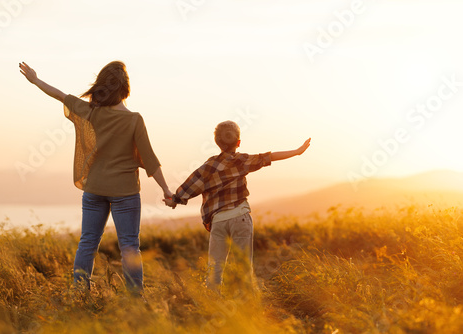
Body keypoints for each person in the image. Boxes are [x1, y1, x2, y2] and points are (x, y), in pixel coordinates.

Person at [19, 61, 173, 295]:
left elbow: (61, 95)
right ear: (126, 89)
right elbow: (150, 159)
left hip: (94, 189)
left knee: (88, 243)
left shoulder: (90, 112)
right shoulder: (134, 120)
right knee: (130, 247)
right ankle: (135, 299)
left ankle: (80, 293)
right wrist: (166, 190)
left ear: (102, 87)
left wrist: (35, 80)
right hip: (126, 193)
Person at [164, 120, 311, 290]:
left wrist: (173, 200)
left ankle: (212, 304)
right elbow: (269, 157)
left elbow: (189, 187)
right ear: (238, 142)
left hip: (218, 221)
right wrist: (297, 152)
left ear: (216, 142)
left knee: (215, 268)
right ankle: (244, 304)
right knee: (243, 268)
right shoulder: (242, 160)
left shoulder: (208, 166)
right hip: (240, 218)